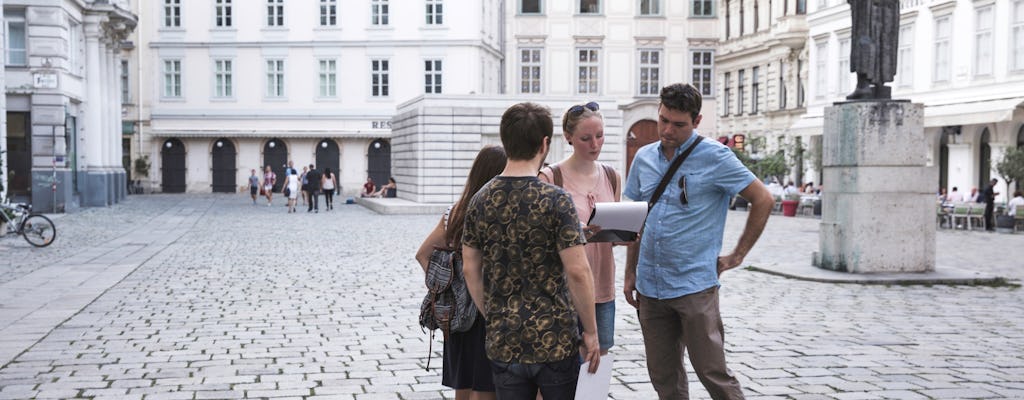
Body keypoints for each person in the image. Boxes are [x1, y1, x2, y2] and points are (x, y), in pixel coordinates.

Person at [623, 83, 773, 400]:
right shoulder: (644, 158)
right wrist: (630, 273)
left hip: (694, 284)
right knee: (664, 377)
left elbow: (763, 199)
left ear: (697, 121)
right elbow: (636, 218)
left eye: (679, 124)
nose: (668, 130)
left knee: (713, 372)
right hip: (651, 285)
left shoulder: (716, 157)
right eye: (664, 120)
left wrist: (737, 255)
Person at [462, 102, 601, 399]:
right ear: (545, 143)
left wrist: (493, 313)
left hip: (504, 339)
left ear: (505, 142)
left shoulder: (480, 200)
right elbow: (578, 271)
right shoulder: (556, 200)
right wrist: (590, 331)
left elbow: (469, 268)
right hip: (555, 339)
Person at [416, 146, 506, 400]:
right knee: (485, 386)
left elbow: (423, 255)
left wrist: (450, 288)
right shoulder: (493, 212)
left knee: (464, 386)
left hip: (458, 314)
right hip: (484, 309)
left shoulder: (455, 212)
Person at [538, 101, 621, 356]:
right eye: (586, 138)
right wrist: (572, 236)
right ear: (568, 137)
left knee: (597, 365)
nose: (595, 145)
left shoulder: (611, 175)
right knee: (558, 367)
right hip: (562, 289)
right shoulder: (551, 178)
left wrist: (623, 235)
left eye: (600, 136)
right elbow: (538, 239)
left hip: (602, 286)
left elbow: (610, 233)